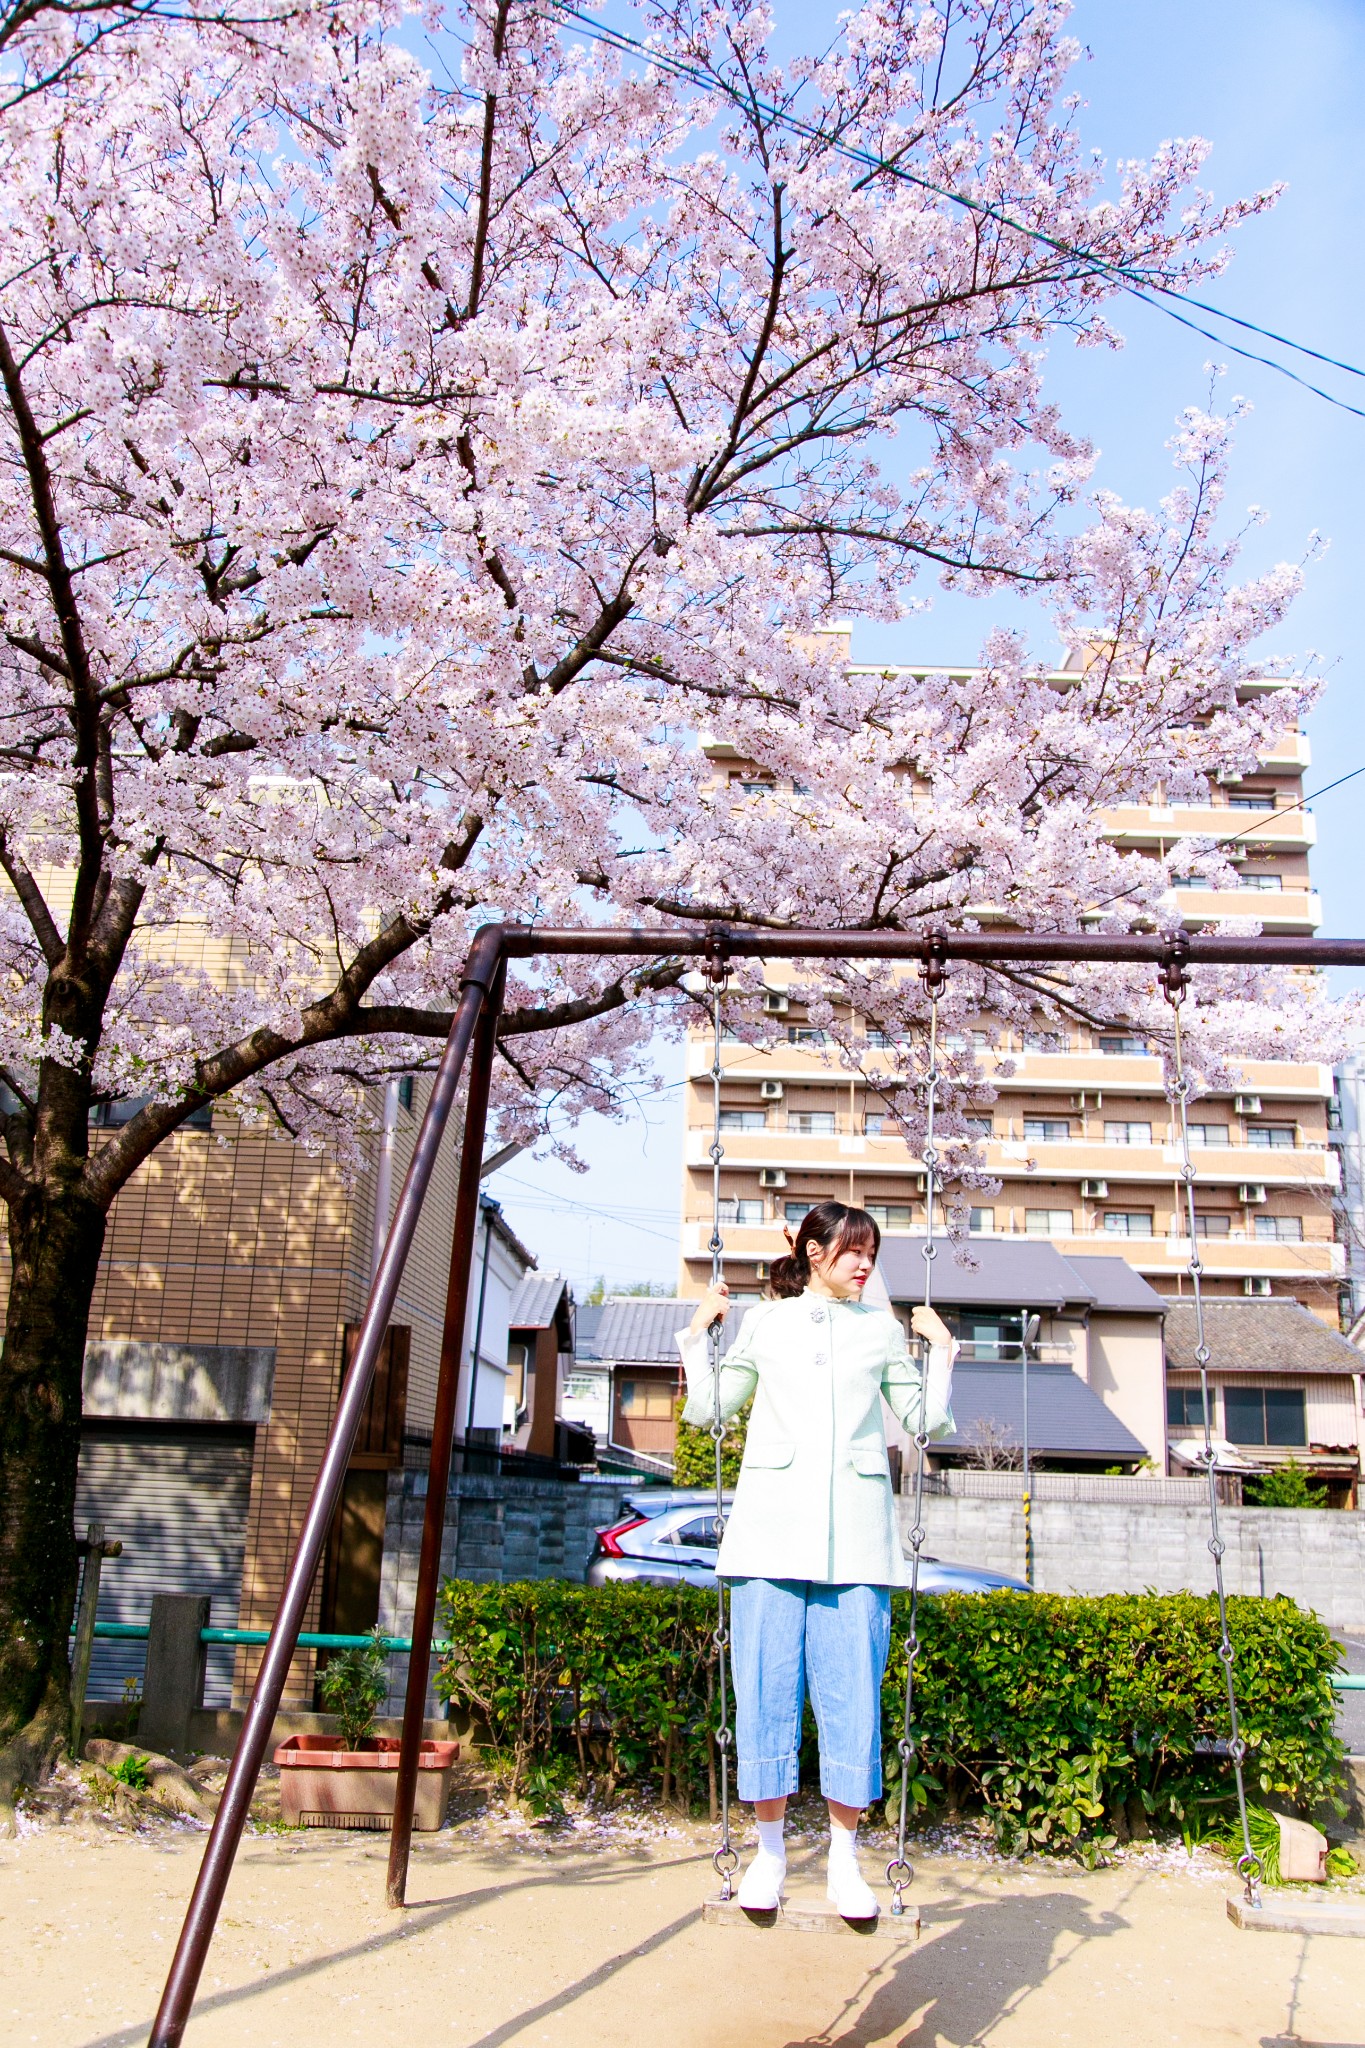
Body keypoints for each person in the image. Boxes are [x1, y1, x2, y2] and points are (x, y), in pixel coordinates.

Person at [678, 1200, 956, 1916]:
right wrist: (695, 1334)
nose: (864, 1264)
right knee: (765, 1694)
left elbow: (923, 1420)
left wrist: (943, 1351)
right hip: (769, 1534)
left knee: (852, 1700)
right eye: (850, 1252)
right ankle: (767, 1856)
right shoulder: (764, 1322)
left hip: (859, 1541)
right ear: (811, 1253)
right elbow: (711, 1409)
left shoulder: (880, 1331)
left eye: (871, 1252)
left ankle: (843, 1862)